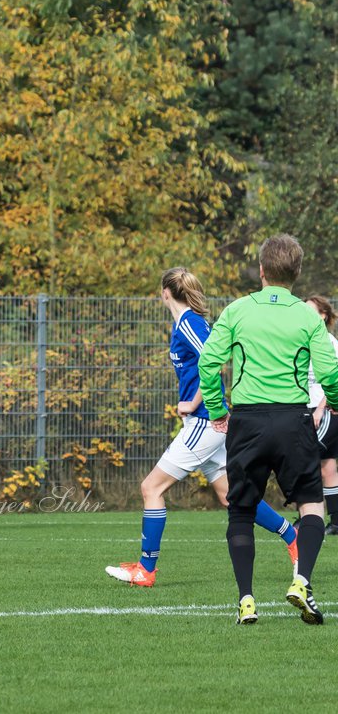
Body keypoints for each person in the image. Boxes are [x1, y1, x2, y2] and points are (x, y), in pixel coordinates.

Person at [105, 267, 298, 587]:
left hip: (204, 423)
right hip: (210, 425)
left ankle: (146, 569)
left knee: (150, 488)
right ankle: (293, 538)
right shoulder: (184, 322)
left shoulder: (189, 323)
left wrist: (194, 403)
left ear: (165, 292)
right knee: (232, 497)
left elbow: (213, 359)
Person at [197, 235, 338, 625]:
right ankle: (301, 581)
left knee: (241, 511)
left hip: (249, 421)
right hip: (294, 421)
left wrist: (217, 408)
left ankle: (246, 600)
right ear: (296, 273)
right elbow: (329, 372)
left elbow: (208, 363)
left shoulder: (238, 311)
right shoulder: (308, 316)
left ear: (261, 270)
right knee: (312, 504)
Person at [304, 295, 338, 535]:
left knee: (304, 460)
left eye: (311, 311)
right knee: (327, 467)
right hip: (302, 409)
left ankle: (310, 519)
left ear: (323, 315)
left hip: (324, 410)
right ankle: (334, 522)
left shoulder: (330, 342)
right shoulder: (301, 341)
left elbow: (333, 379)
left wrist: (320, 408)